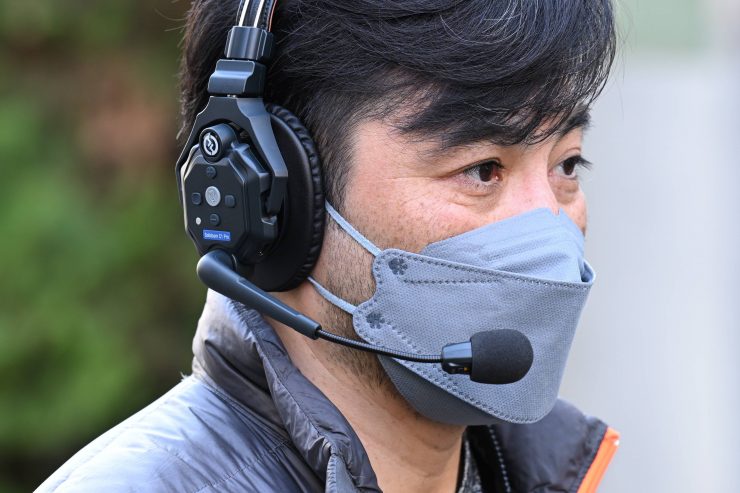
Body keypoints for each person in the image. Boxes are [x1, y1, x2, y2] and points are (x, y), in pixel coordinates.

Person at [38, 0, 619, 492]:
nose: (551, 228)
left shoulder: (550, 473)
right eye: (482, 169)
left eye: (567, 164)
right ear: (280, 200)